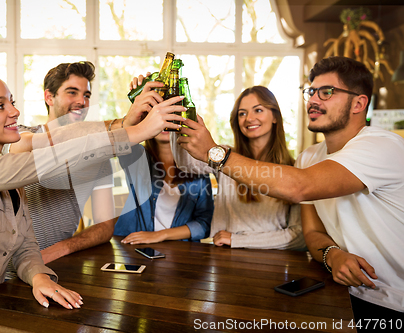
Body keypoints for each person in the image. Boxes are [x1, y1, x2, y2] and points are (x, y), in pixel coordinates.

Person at [0, 65, 184, 332]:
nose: (14, 111)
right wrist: (135, 132)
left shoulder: (7, 178)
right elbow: (49, 157)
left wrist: (39, 276)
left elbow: (25, 244)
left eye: (11, 102)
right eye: (0, 105)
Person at [178, 56, 404, 324]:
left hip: (393, 300)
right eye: (311, 92)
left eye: (327, 92)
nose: (313, 100)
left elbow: (300, 187)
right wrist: (333, 254)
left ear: (359, 103)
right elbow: (312, 233)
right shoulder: (309, 157)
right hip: (341, 292)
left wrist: (214, 153)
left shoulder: (383, 146)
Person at [171, 86, 305, 250]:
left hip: (271, 264)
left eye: (258, 110)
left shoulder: (293, 169)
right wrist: (175, 119)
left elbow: (298, 236)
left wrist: (237, 240)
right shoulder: (224, 156)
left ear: (275, 116)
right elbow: (186, 163)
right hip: (224, 259)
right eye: (242, 113)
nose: (249, 118)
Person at [8, 62, 116, 265]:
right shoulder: (21, 136)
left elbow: (105, 225)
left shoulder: (98, 156)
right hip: (5, 268)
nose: (81, 101)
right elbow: (22, 145)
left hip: (56, 265)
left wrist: (61, 249)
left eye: (86, 95)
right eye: (72, 92)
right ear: (49, 97)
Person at [114, 130, 214, 245]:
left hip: (180, 249)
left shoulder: (198, 167)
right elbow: (120, 141)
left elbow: (204, 224)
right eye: (161, 117)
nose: (165, 125)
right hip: (133, 246)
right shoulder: (136, 157)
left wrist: (161, 235)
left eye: (170, 118)